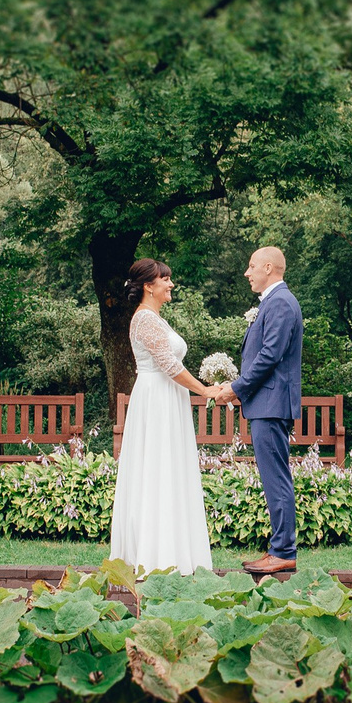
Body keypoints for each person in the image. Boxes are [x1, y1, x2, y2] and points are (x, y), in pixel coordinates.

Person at [108, 258, 228, 573]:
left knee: (169, 471)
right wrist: (206, 391)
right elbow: (169, 366)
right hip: (156, 402)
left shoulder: (155, 318)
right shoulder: (145, 319)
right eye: (165, 279)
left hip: (167, 399)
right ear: (149, 285)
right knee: (156, 472)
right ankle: (155, 559)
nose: (171, 284)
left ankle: (174, 554)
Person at [230, 246, 303, 574]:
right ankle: (279, 547)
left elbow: (270, 355)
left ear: (269, 268)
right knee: (273, 477)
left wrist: (237, 387)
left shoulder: (281, 303)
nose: (248, 272)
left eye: (252, 266)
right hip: (267, 403)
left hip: (271, 404)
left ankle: (283, 550)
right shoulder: (275, 303)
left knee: (276, 479)